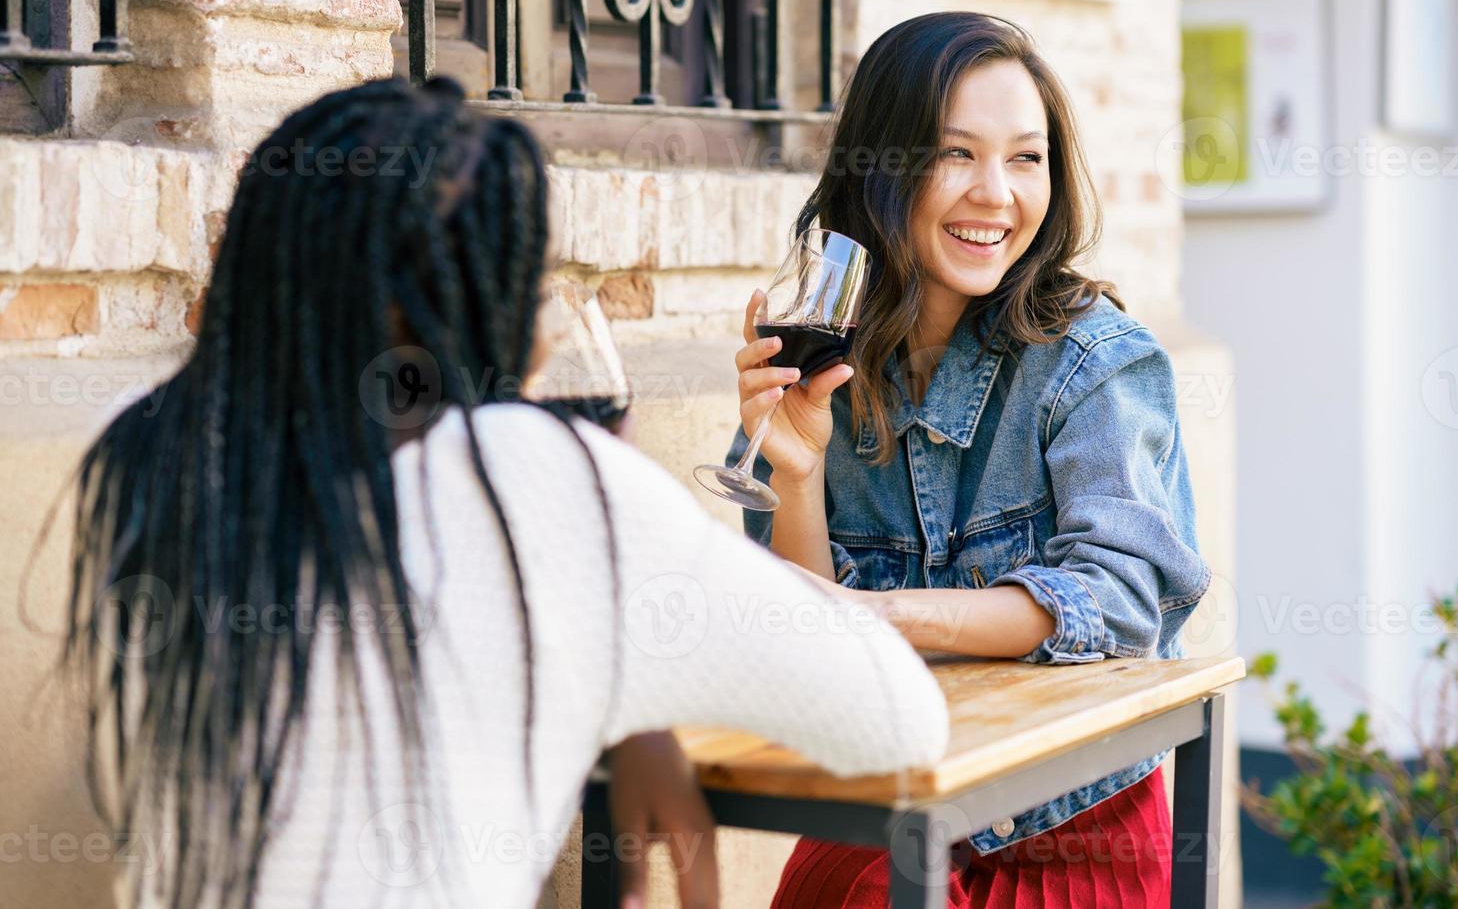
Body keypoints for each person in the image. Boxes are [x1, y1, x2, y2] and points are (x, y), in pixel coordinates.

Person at [61, 77, 950, 909]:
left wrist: (629, 701)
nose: (549, 315)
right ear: (453, 301)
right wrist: (652, 563)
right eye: (526, 278)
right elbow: (897, 721)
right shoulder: (526, 473)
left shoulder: (149, 445)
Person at [726, 12, 1211, 907]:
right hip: (891, 803)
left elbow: (1125, 600)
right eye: (956, 154)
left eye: (1026, 158)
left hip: (1075, 824)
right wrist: (792, 476)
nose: (997, 193)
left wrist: (889, 615)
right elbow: (802, 649)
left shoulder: (1096, 364)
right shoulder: (825, 364)